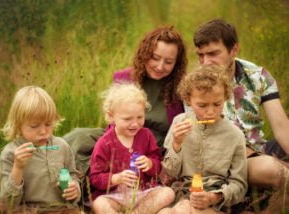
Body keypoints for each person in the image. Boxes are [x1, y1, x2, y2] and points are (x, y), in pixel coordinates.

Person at [63, 25, 188, 179]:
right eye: (155, 58)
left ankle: (96, 179)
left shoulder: (182, 87)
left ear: (177, 63)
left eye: (168, 62)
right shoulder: (125, 78)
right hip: (121, 137)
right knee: (79, 137)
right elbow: (113, 123)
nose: (160, 66)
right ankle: (64, 174)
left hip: (153, 149)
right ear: (145, 53)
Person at [193, 18, 289, 205]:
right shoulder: (196, 85)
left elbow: (282, 127)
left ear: (234, 50)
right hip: (227, 160)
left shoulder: (257, 75)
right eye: (200, 55)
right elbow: (213, 142)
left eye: (213, 54)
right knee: (272, 170)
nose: (205, 62)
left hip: (259, 148)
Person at [161, 65, 247, 213]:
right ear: (188, 100)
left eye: (217, 104)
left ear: (225, 97)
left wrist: (214, 197)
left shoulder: (235, 135)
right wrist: (176, 144)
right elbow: (170, 172)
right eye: (202, 105)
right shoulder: (179, 123)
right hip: (181, 194)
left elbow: (239, 185)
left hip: (214, 201)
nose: (210, 111)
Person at [89, 83, 175, 214]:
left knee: (168, 193)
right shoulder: (105, 143)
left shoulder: (146, 135)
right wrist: (115, 178)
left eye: (140, 117)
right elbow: (95, 178)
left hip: (143, 192)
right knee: (99, 204)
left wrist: (150, 163)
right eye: (127, 119)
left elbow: (158, 166)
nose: (135, 124)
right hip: (115, 196)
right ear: (111, 116)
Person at [0, 86, 80, 212]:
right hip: (28, 210)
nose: (43, 131)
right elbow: (7, 203)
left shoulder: (62, 146)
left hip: (63, 209)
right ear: (18, 125)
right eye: (34, 126)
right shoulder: (11, 153)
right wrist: (18, 167)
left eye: (48, 124)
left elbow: (73, 175)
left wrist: (74, 189)